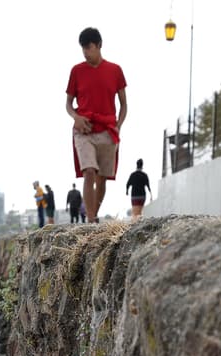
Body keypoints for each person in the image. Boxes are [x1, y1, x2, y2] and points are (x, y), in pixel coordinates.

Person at [66, 27, 127, 224]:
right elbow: (68, 104)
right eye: (83, 48)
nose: (85, 52)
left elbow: (124, 104)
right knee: (89, 171)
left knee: (102, 178)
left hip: (108, 131)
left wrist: (118, 125)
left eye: (89, 48)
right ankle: (91, 221)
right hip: (84, 129)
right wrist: (76, 117)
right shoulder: (76, 71)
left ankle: (93, 215)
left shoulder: (115, 70)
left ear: (99, 45)